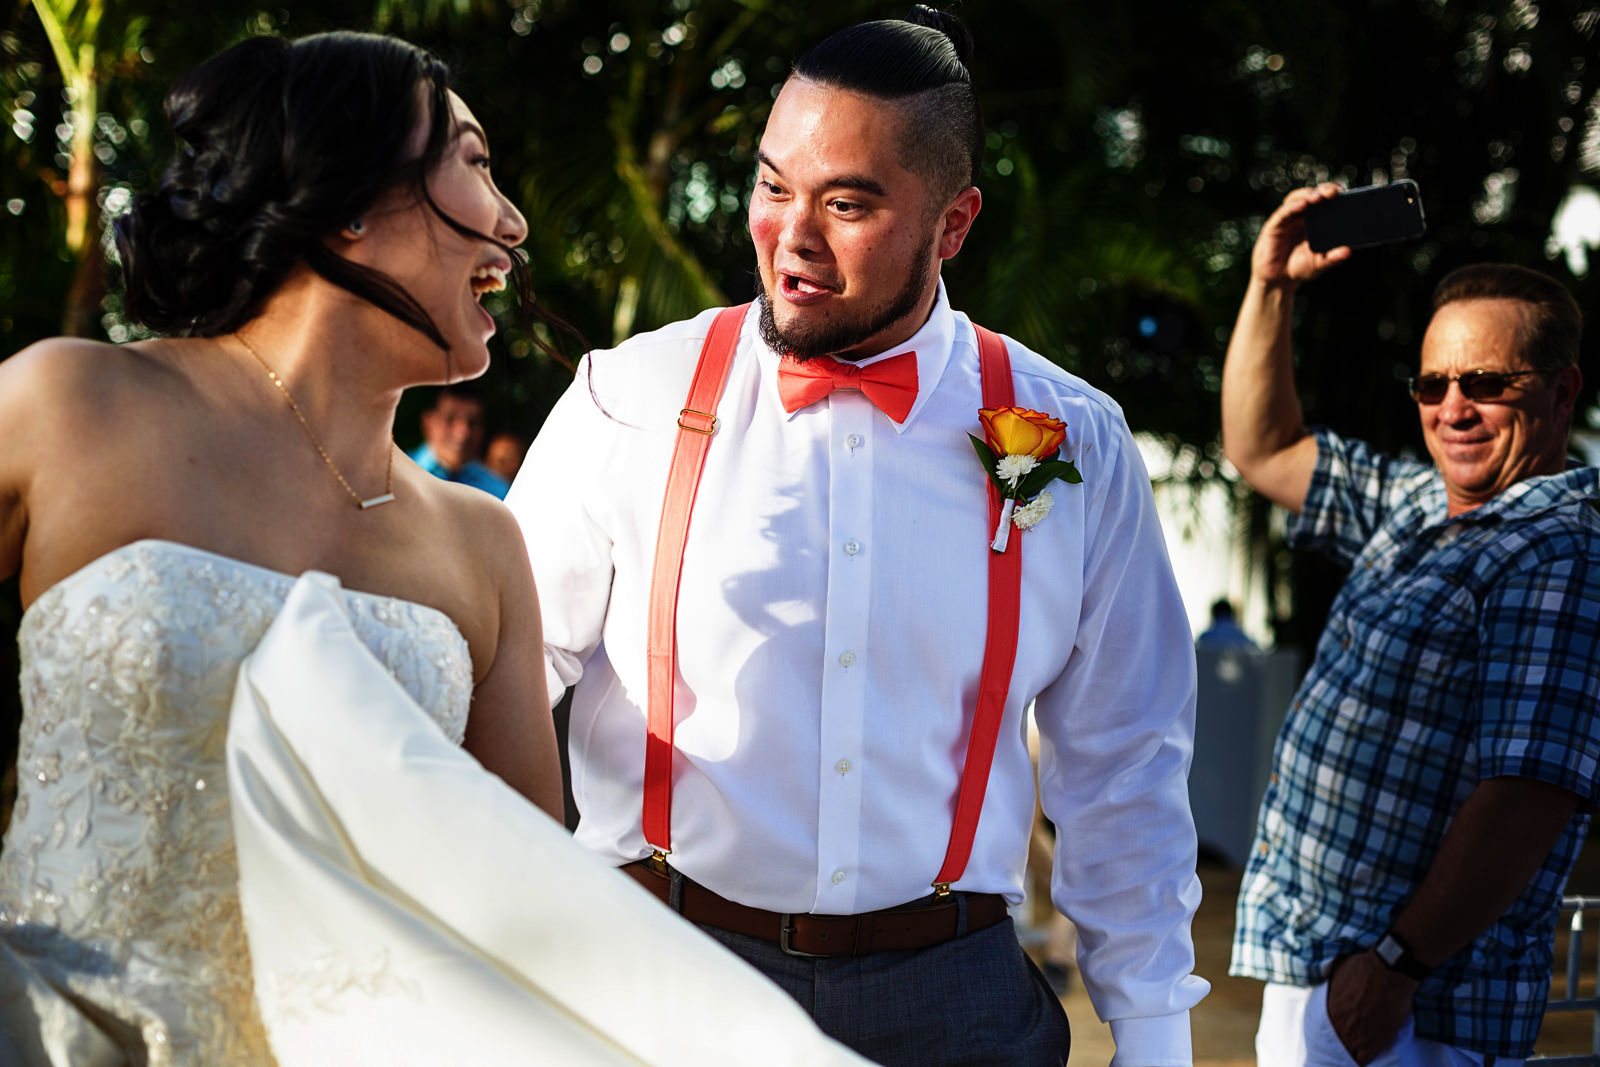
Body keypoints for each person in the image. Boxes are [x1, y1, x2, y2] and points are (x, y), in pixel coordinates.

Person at [0, 33, 863, 1067]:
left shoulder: (482, 541)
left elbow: (520, 922)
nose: (512, 220)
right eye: (472, 161)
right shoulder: (68, 405)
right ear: (345, 193)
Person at [509, 7, 1209, 1065]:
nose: (790, 236)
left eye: (845, 203)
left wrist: (1153, 1033)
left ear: (954, 223)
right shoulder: (629, 398)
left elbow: (1122, 761)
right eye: (772, 184)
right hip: (664, 976)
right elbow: (497, 673)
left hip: (957, 997)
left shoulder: (1077, 441)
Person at [1222, 184, 1600, 1066]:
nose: (1452, 407)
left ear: (1561, 392)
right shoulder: (1419, 500)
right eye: (1432, 383)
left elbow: (1527, 794)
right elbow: (1263, 448)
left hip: (1409, 1010)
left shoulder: (1556, 549)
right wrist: (1271, 284)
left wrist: (1395, 965)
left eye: (1487, 383)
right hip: (1334, 977)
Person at [410, 384, 510, 497]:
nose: (462, 432)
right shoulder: (395, 475)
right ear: (428, 421)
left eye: (473, 422)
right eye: (450, 419)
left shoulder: (498, 491)